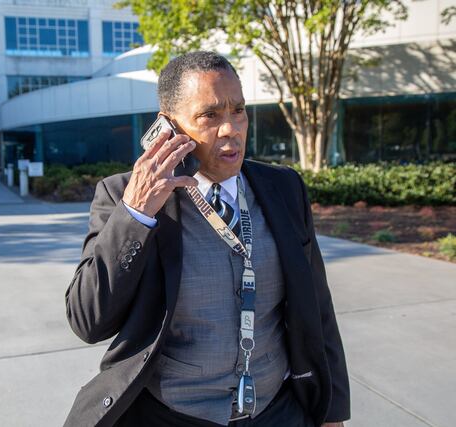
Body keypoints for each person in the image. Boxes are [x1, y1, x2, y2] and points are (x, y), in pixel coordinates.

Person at [64, 51, 349, 427]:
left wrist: (331, 414)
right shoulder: (122, 196)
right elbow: (88, 320)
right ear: (169, 127)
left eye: (238, 110)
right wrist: (136, 213)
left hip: (275, 410)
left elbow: (318, 307)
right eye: (210, 115)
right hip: (172, 414)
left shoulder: (283, 187)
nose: (231, 128)